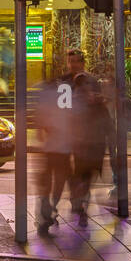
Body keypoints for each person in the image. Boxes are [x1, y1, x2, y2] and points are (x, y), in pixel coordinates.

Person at [36, 51, 82, 234]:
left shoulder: (52, 90)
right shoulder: (66, 89)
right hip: (61, 145)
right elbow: (71, 115)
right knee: (59, 180)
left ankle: (48, 212)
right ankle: (50, 210)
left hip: (56, 144)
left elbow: (42, 116)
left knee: (53, 180)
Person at [68, 72, 111, 227]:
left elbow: (107, 125)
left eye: (86, 84)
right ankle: (80, 207)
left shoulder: (97, 103)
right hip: (82, 148)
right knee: (83, 180)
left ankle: (79, 203)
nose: (84, 88)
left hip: (94, 148)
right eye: (81, 85)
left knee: (85, 180)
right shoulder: (74, 103)